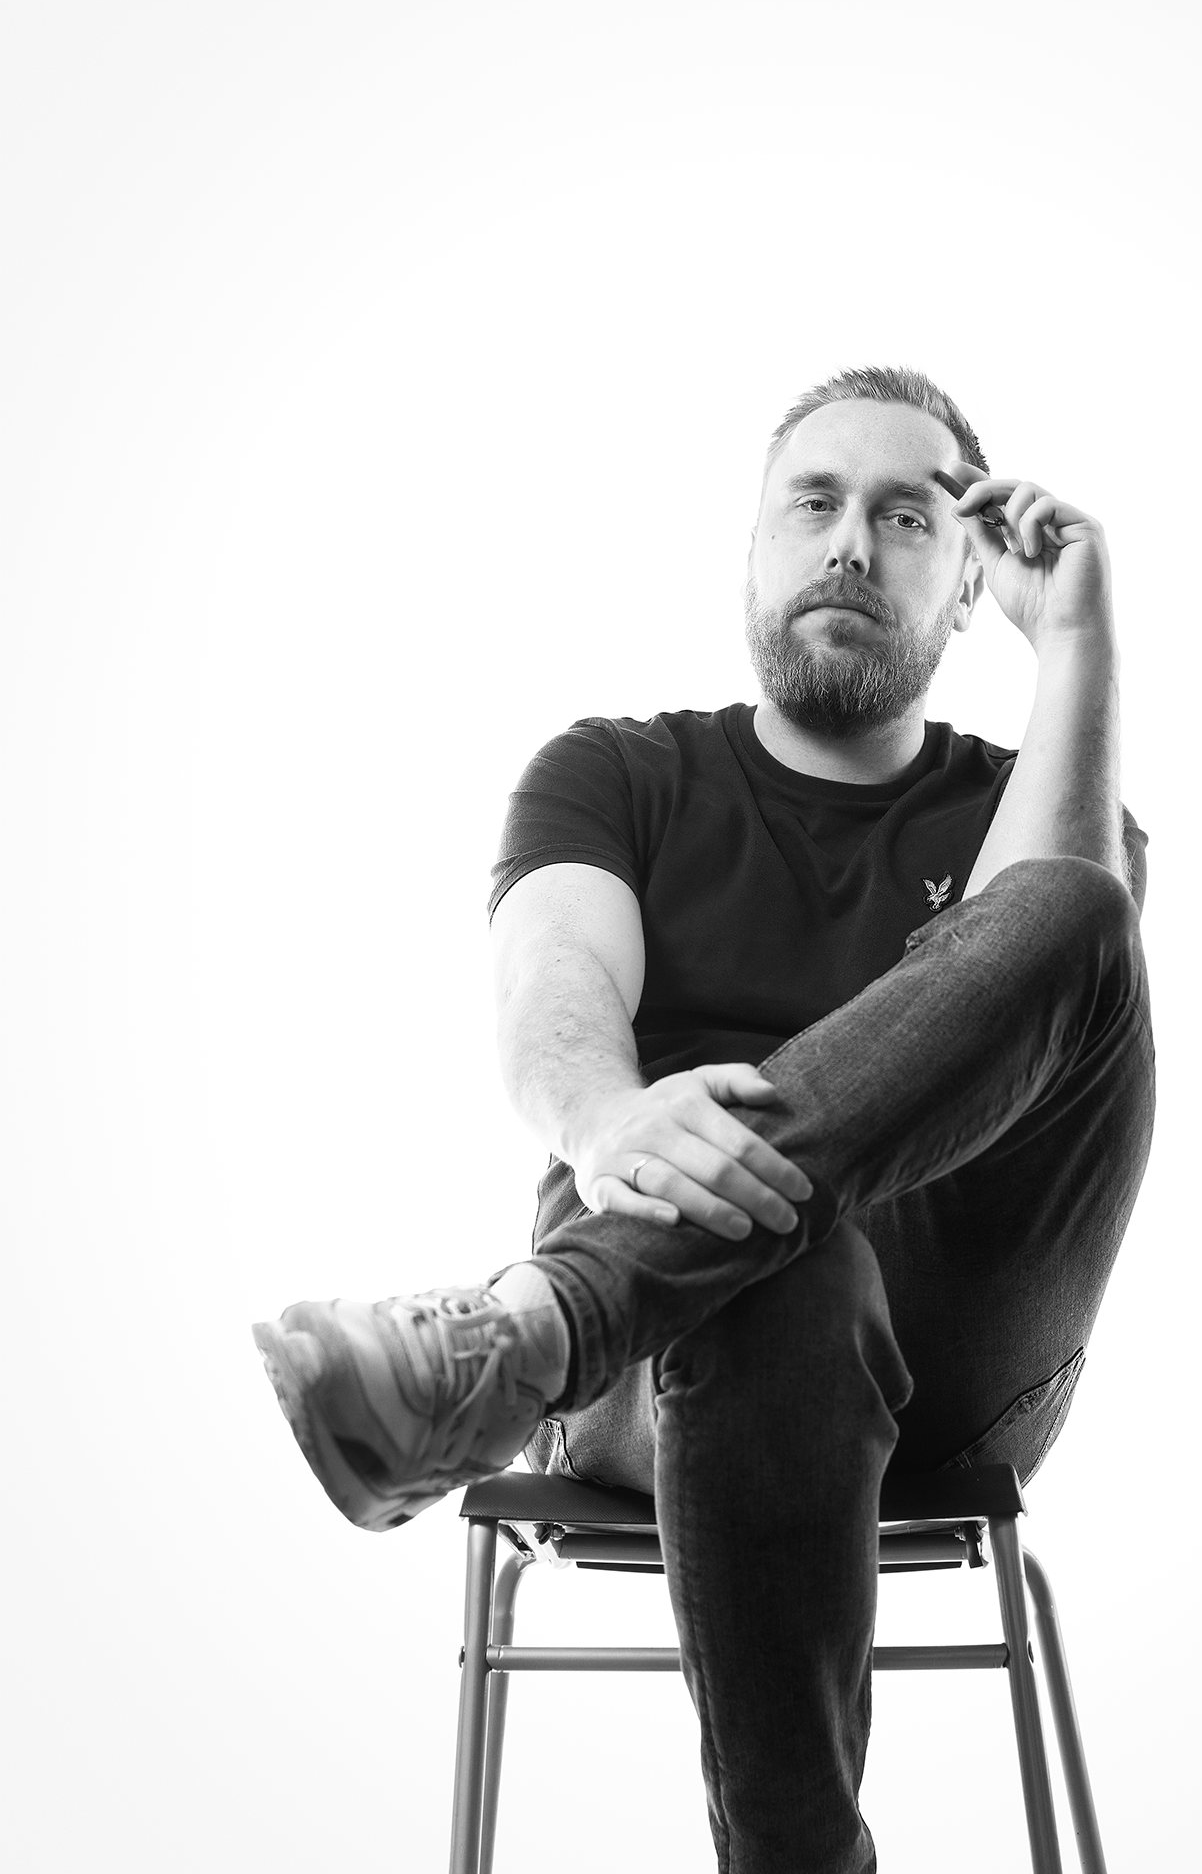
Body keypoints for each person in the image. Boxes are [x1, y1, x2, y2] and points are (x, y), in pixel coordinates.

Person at [254, 364, 1155, 1874]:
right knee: (775, 1257)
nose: (850, 543)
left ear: (966, 584)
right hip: (663, 1376)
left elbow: (1059, 934)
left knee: (1075, 906)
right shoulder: (616, 772)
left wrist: (1075, 641)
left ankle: (533, 1330)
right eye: (814, 502)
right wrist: (608, 1123)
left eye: (907, 517)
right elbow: (553, 982)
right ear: (751, 546)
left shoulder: (1033, 793)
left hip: (960, 1350)